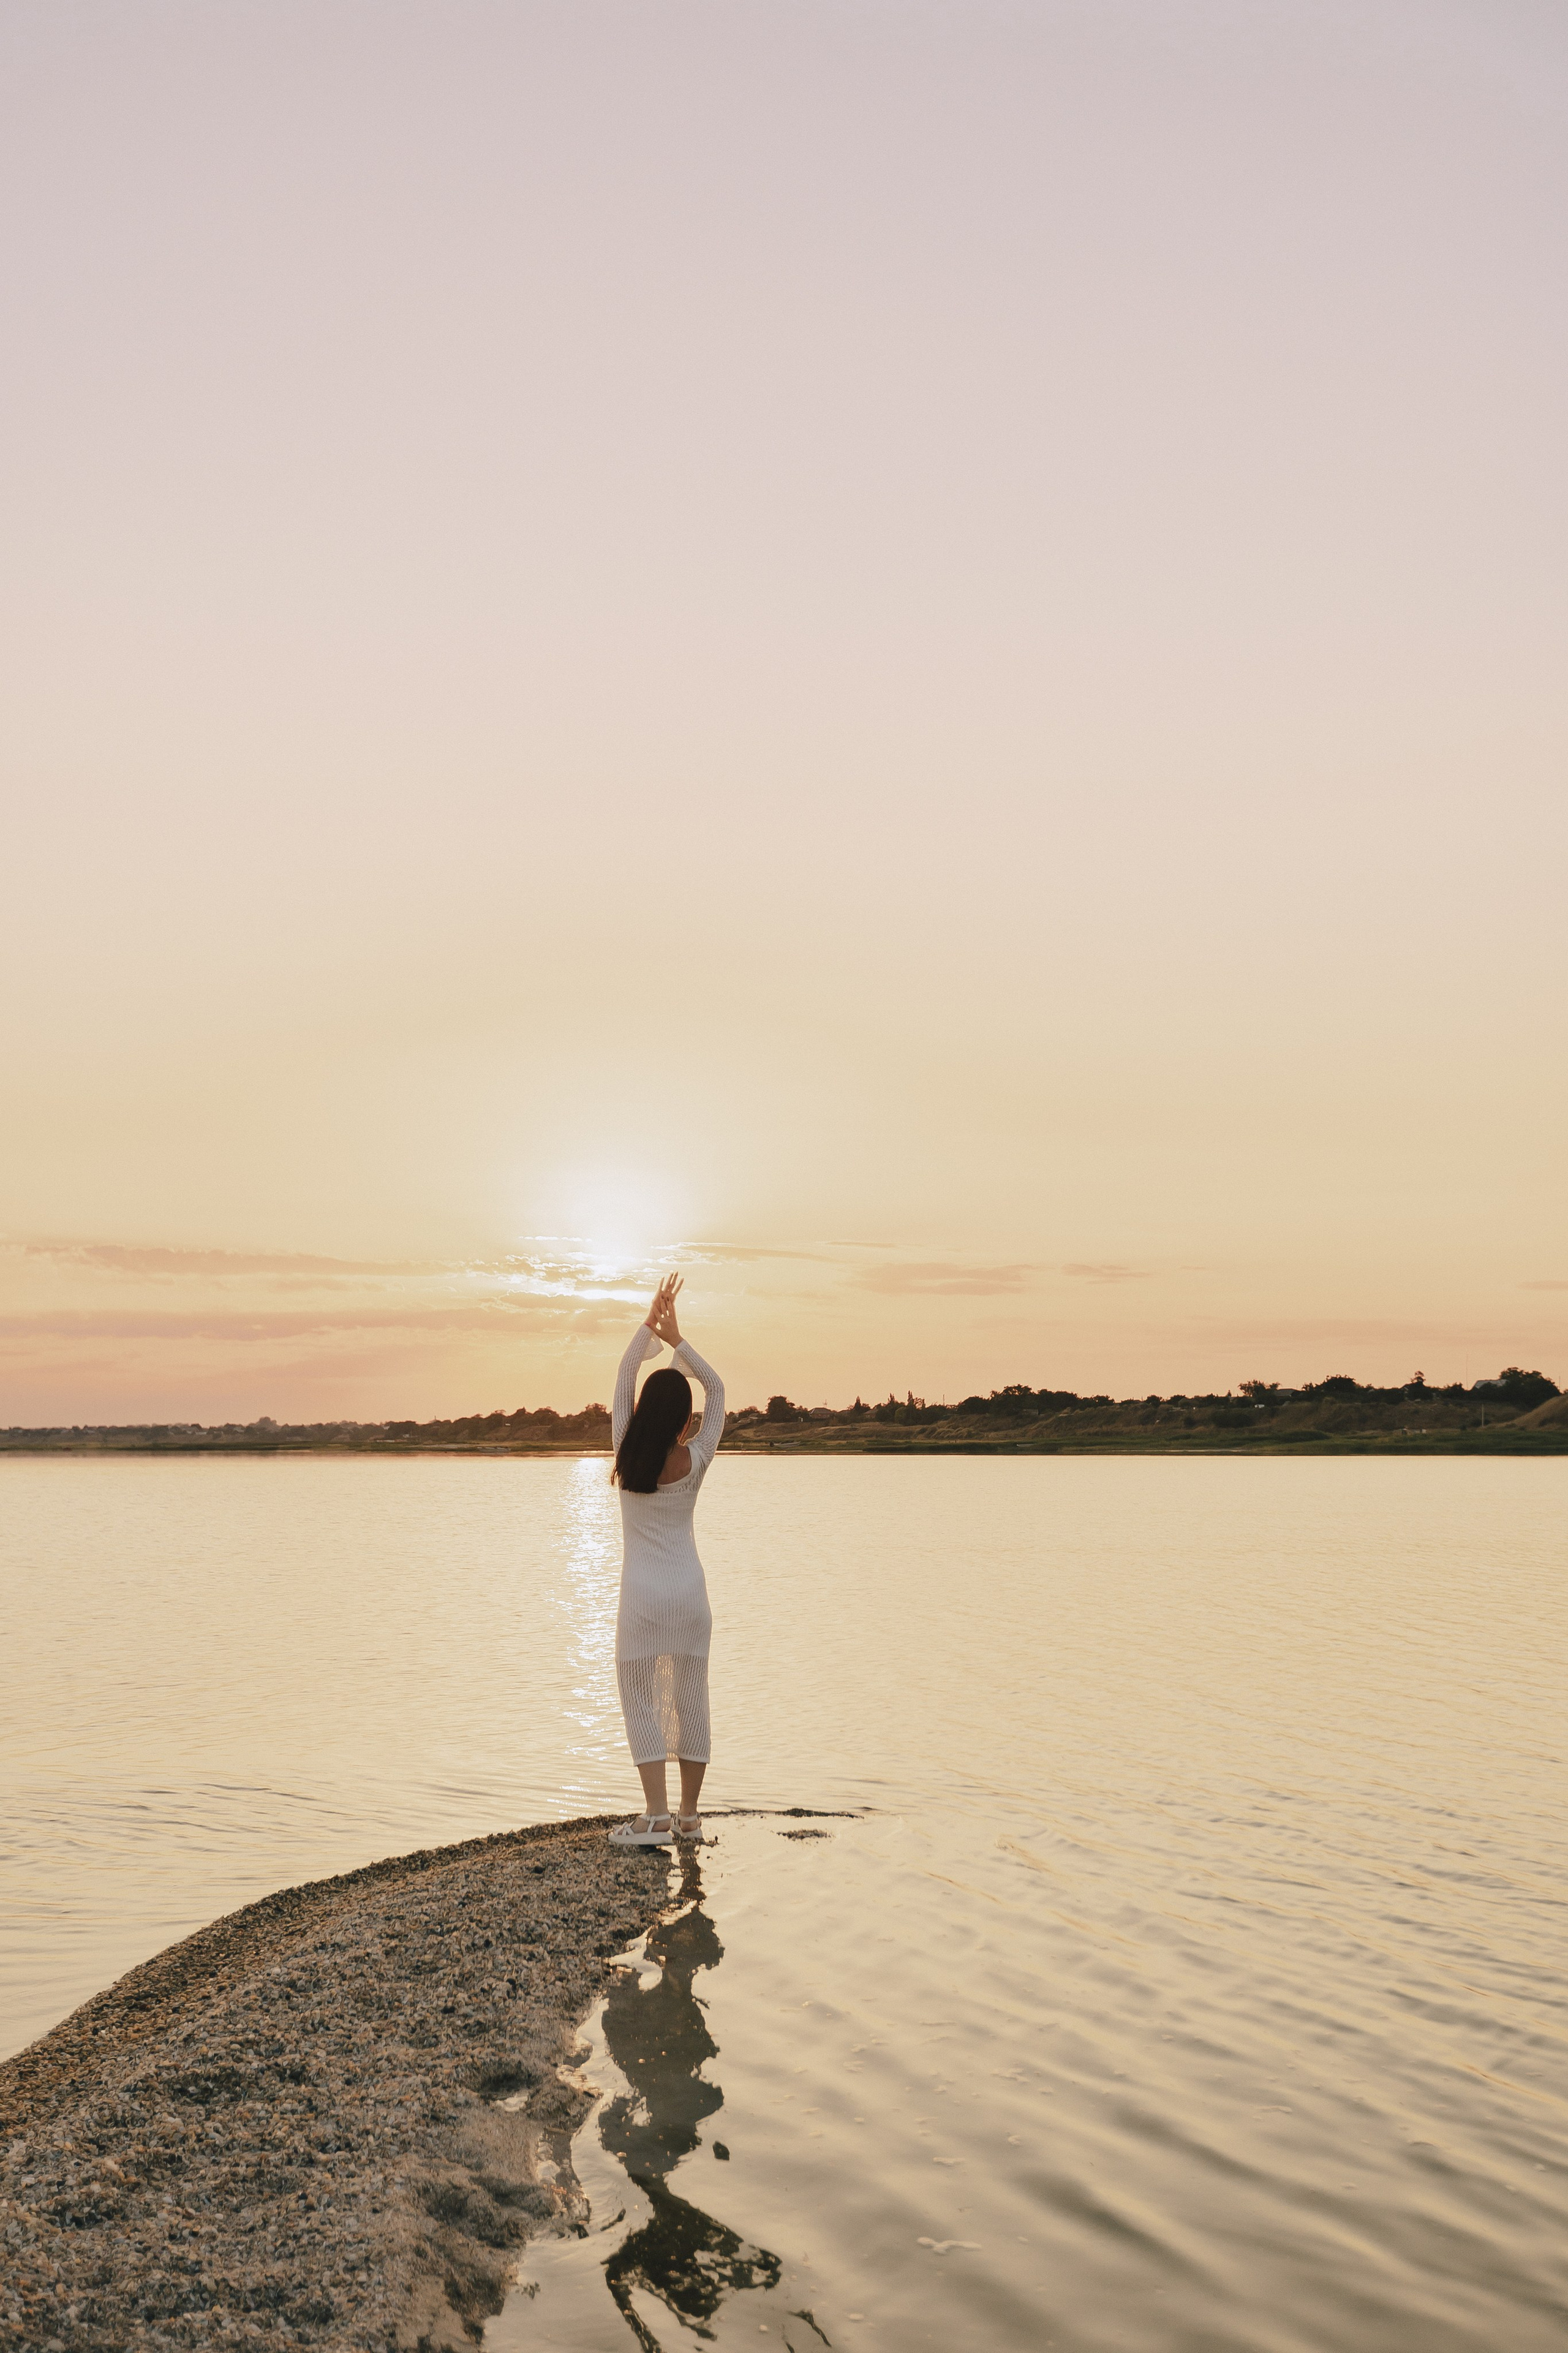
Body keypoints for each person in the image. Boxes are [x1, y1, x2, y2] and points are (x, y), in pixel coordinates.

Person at [607, 1275, 725, 1847]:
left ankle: (653, 1816)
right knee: (691, 1699)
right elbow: (719, 1390)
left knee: (640, 1694)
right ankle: (689, 1817)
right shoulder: (696, 1458)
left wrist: (650, 1326)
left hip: (643, 1599)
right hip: (690, 1596)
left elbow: (625, 1374)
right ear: (685, 1419)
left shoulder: (626, 1451)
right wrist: (680, 1340)